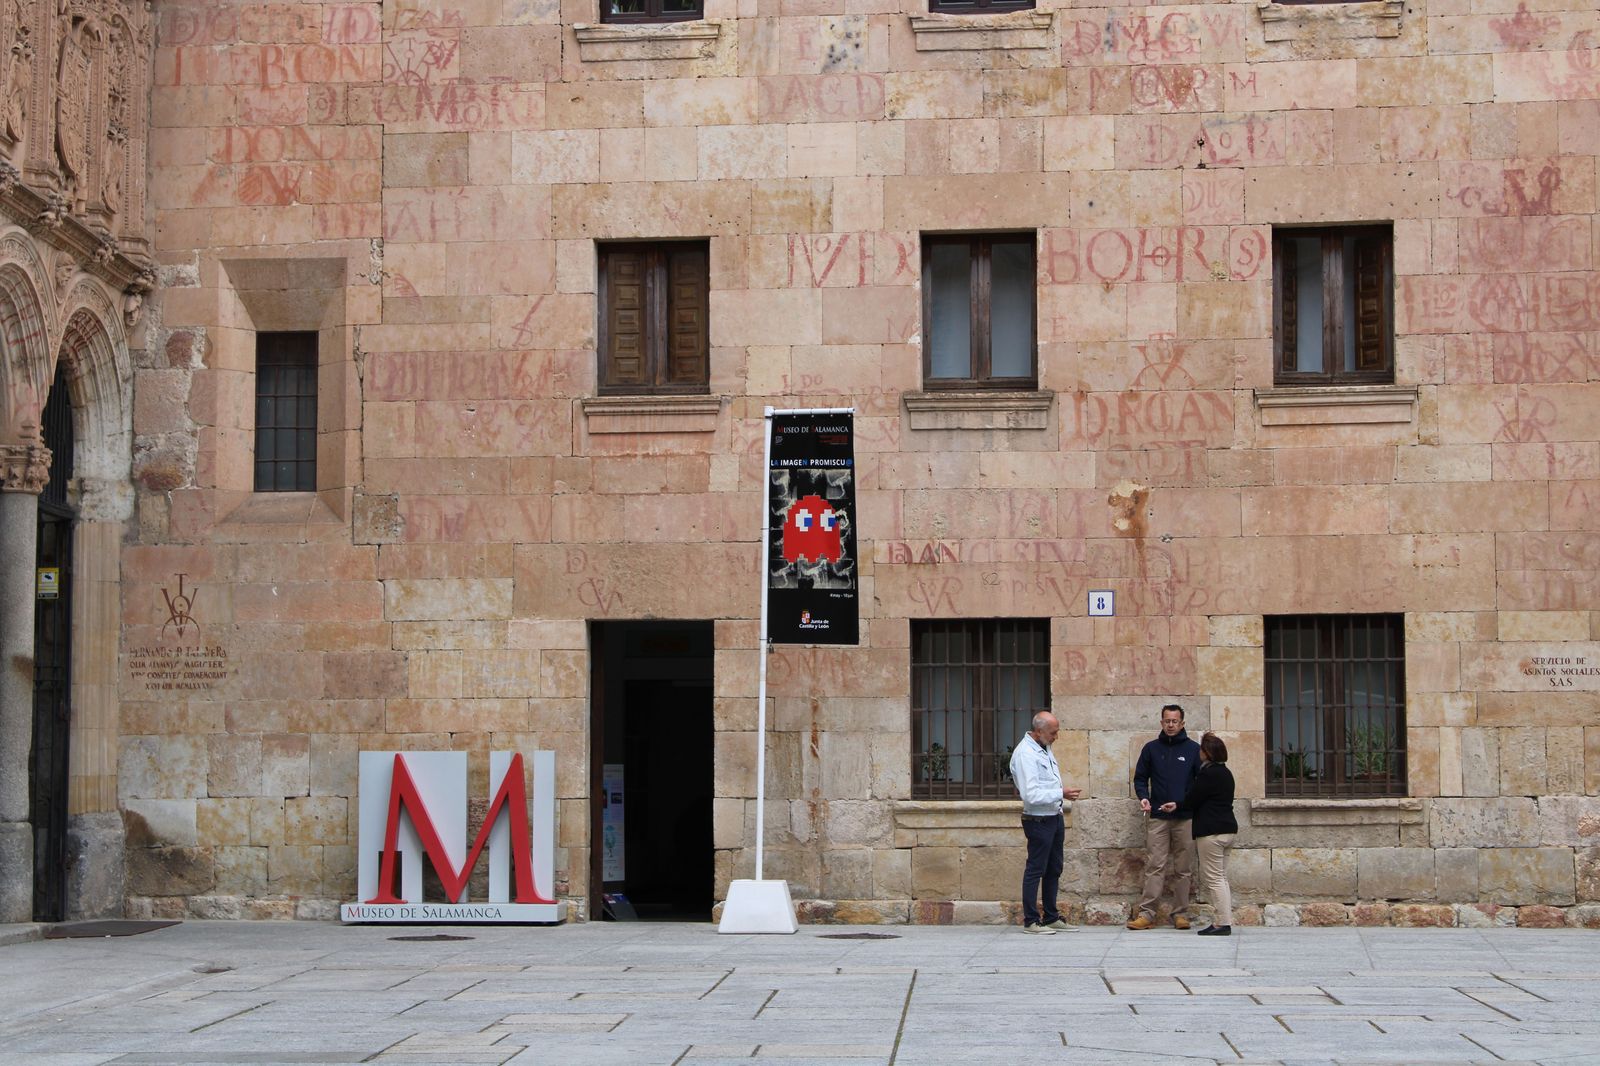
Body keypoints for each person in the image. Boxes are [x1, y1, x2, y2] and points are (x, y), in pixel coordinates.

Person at [1009, 711, 1083, 934]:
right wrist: (1060, 793)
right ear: (1039, 731)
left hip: (1053, 816)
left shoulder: (1044, 747)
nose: (1056, 737)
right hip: (1038, 819)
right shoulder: (1025, 755)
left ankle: (1051, 916)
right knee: (1035, 869)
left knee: (1054, 868)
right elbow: (1030, 794)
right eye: (1053, 733)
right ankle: (1031, 920)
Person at [1128, 703, 1200, 930]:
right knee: (1155, 865)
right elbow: (1140, 778)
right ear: (1161, 722)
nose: (1170, 725)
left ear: (1182, 723)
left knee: (1183, 867)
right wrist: (1144, 797)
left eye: (1174, 721)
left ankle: (1180, 913)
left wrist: (1180, 803)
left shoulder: (1193, 750)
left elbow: (1200, 785)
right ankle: (1147, 914)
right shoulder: (1151, 749)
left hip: (1185, 817)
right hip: (1158, 816)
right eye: (1167, 721)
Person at [1159, 732, 1238, 936]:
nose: (1199, 753)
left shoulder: (1208, 773)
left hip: (1211, 832)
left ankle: (1222, 923)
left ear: (1207, 753)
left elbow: (1193, 798)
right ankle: (1225, 919)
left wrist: (1176, 806)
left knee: (1214, 879)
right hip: (1228, 829)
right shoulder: (1225, 773)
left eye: (1202, 750)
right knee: (1221, 877)